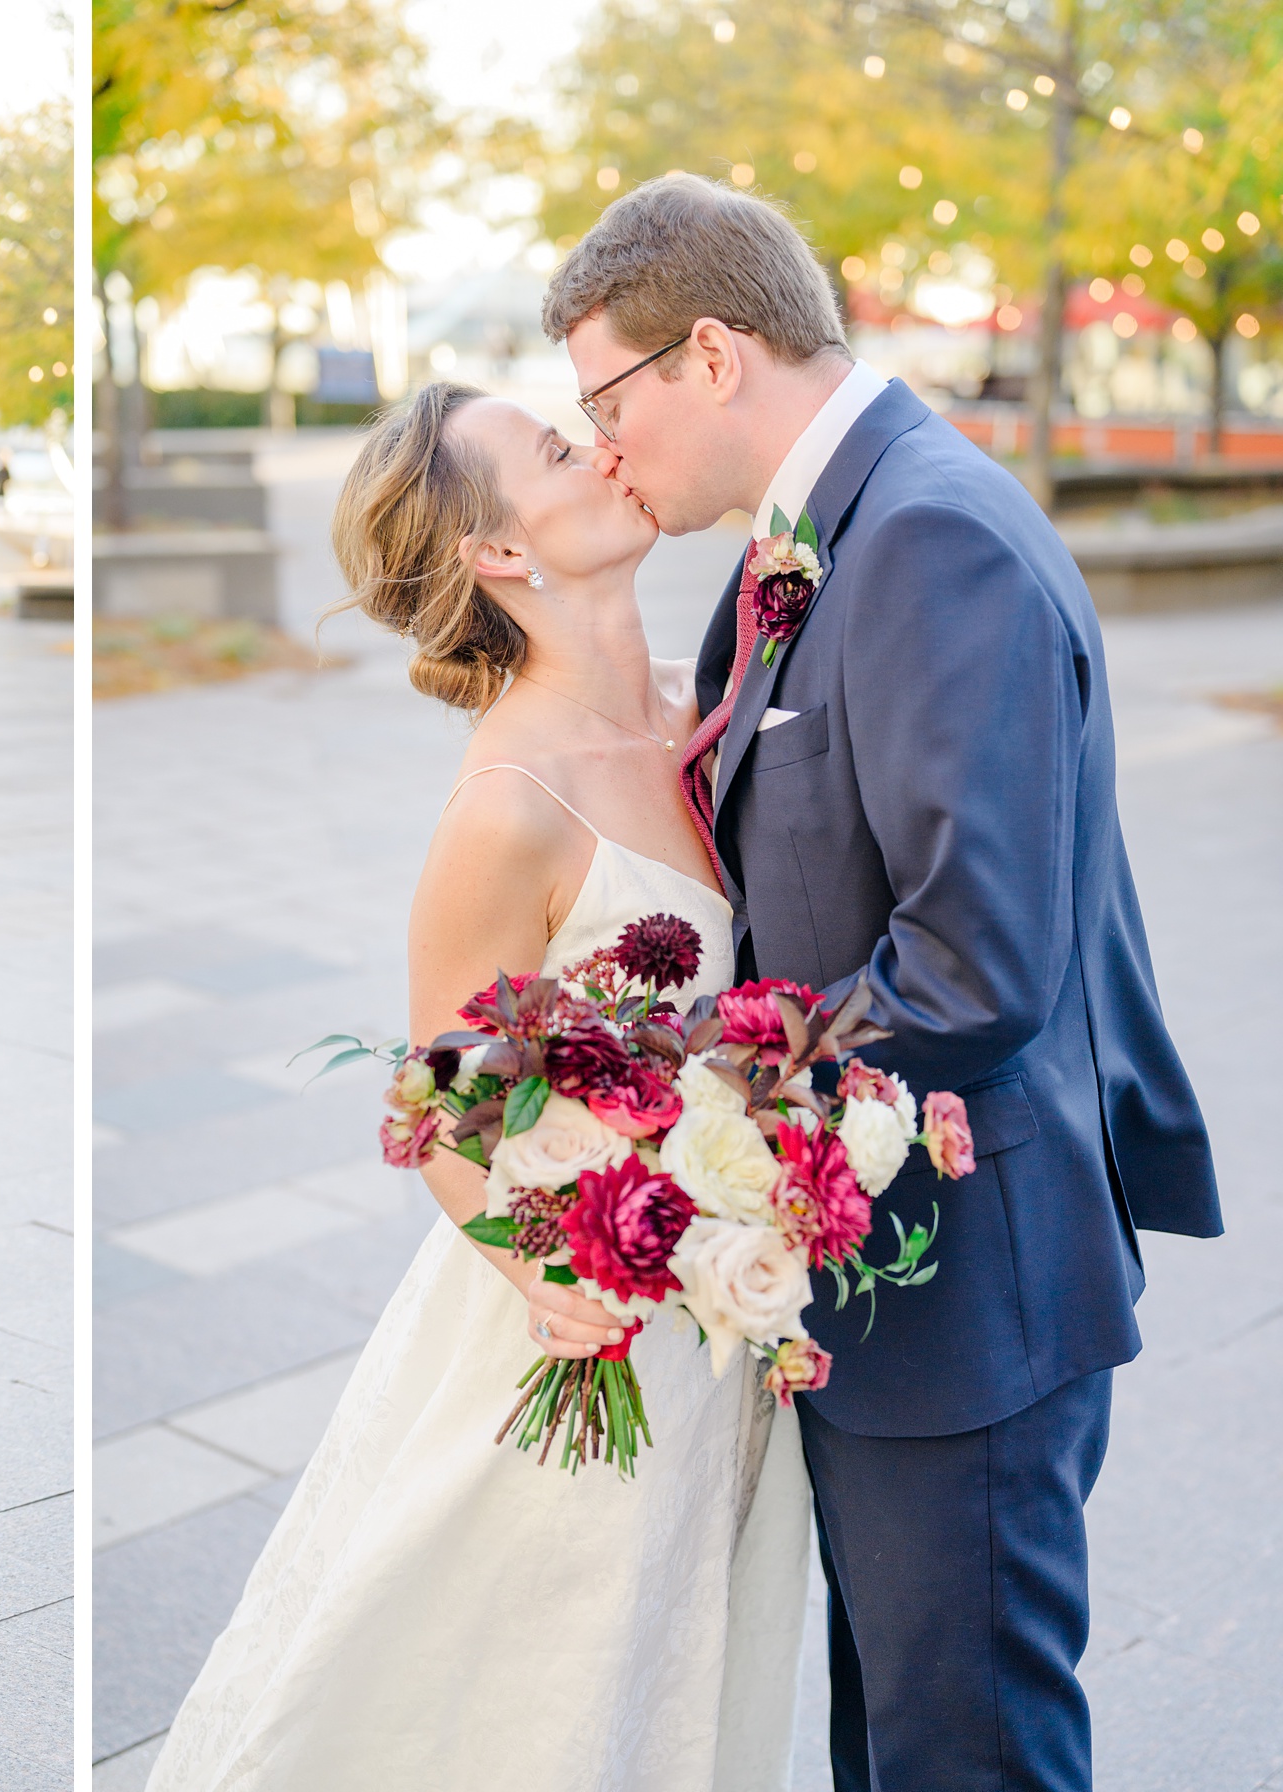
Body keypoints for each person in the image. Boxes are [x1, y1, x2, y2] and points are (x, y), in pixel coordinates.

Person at [540, 176, 1219, 1791]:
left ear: (713, 354)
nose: (606, 449)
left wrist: (690, 1095)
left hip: (965, 1291)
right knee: (901, 1737)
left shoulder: (922, 540)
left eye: (605, 403)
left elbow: (971, 959)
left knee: (961, 1748)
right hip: (893, 1285)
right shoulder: (834, 527)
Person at [147, 377, 811, 1790]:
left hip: (722, 1316)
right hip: (582, 1330)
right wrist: (543, 1271)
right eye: (564, 450)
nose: (607, 448)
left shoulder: (712, 711)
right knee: (532, 1699)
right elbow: (432, 1112)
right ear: (500, 555)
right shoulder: (510, 804)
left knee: (671, 1687)